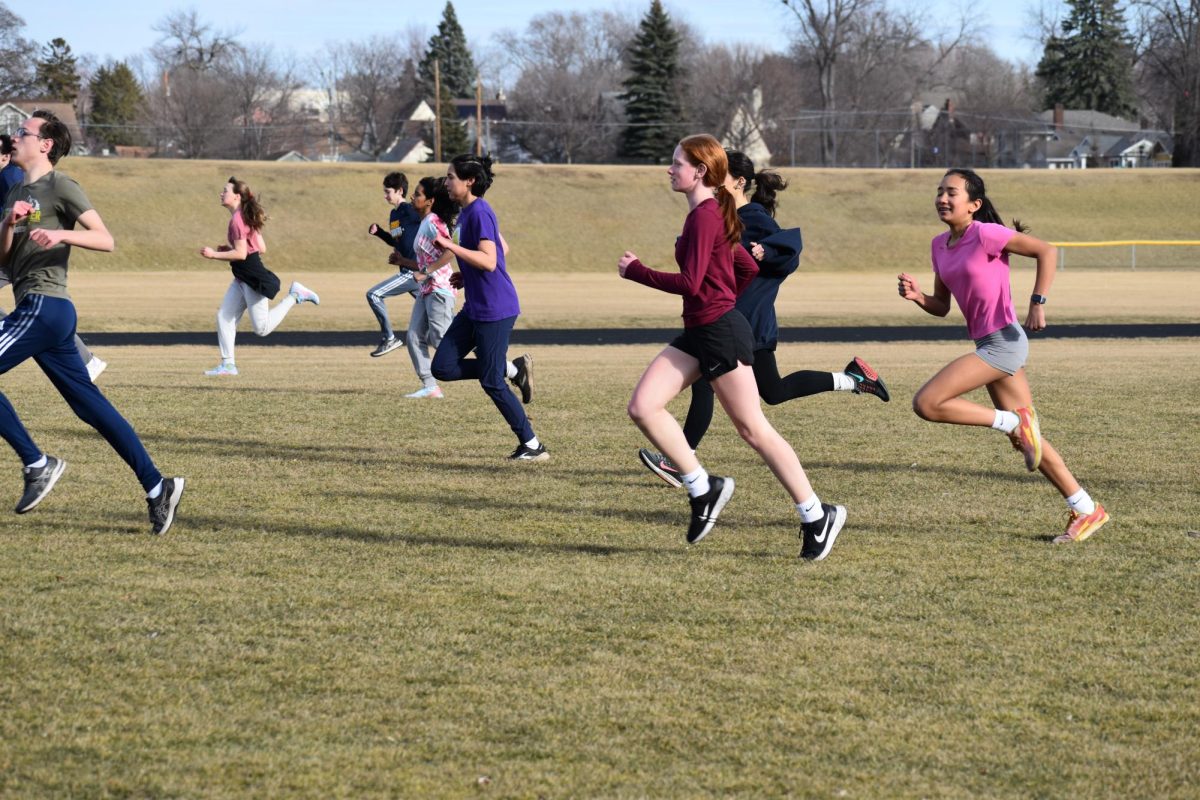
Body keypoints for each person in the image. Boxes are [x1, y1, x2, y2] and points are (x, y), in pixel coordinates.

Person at [619, 134, 846, 559]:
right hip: (702, 330)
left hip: (718, 332)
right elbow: (745, 265)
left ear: (700, 171)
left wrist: (637, 271)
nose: (670, 170)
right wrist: (721, 295)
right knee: (643, 407)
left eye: (676, 163)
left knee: (754, 429)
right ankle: (703, 488)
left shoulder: (706, 217)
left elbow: (690, 283)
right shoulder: (711, 215)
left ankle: (817, 515)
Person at [638, 149, 889, 488]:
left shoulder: (754, 218)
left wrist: (765, 251)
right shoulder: (717, 216)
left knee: (705, 386)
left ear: (739, 182)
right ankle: (852, 379)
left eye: (719, 176)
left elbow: (790, 250)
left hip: (746, 320)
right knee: (773, 390)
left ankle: (680, 461)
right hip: (730, 319)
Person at [898, 168, 1108, 544]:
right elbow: (942, 306)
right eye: (940, 191)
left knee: (927, 403)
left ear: (974, 205)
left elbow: (1047, 251)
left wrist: (1038, 303)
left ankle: (1012, 422)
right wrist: (918, 297)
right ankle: (1086, 508)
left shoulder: (986, 234)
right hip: (987, 345)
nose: (943, 198)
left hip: (1005, 343)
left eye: (953, 193)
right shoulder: (938, 245)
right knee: (1031, 442)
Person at [0, 110, 183, 533]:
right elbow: (5, 259)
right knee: (92, 409)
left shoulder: (60, 186)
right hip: (41, 311)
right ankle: (159, 487)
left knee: (90, 408)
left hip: (46, 307)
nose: (14, 137)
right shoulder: (16, 193)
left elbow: (106, 239)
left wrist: (63, 234)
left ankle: (37, 464)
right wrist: (10, 223)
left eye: (22, 132)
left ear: (45, 144)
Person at [430, 154, 542, 460]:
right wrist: (466, 273)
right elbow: (501, 249)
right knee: (442, 367)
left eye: (451, 176)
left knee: (491, 381)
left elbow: (491, 261)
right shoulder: (469, 212)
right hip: (475, 308)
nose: (446, 181)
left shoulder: (479, 211)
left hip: (496, 309)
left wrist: (452, 247)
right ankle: (512, 369)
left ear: (469, 181)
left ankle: (532, 445)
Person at [1, 132, 106, 381]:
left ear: (4, 157)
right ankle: (88, 361)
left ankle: (88, 361)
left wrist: (45, 234)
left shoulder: (12, 178)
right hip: (13, 252)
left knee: (43, 315)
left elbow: (31, 212)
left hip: (18, 254)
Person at [200, 177, 320, 376]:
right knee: (224, 317)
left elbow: (241, 254)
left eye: (225, 191)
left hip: (252, 277)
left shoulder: (238, 220)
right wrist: (229, 249)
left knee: (262, 329)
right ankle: (228, 365)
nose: (221, 194)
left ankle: (296, 295)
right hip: (242, 276)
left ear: (237, 196)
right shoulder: (243, 216)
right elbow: (260, 248)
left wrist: (214, 255)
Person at [402, 177, 458, 398]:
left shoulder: (434, 222)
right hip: (427, 289)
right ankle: (430, 386)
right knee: (414, 337)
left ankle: (504, 367)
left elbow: (451, 250)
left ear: (429, 201)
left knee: (440, 339)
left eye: (417, 194)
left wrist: (425, 272)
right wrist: (403, 262)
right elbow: (426, 262)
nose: (412, 197)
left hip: (440, 289)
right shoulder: (425, 223)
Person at [365, 172, 422, 357]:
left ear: (399, 190)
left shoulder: (409, 210)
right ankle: (471, 339)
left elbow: (429, 218)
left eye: (388, 191)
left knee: (374, 294)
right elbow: (396, 241)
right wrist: (379, 233)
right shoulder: (394, 213)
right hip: (411, 272)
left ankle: (390, 338)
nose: (385, 195)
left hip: (413, 272)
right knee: (436, 310)